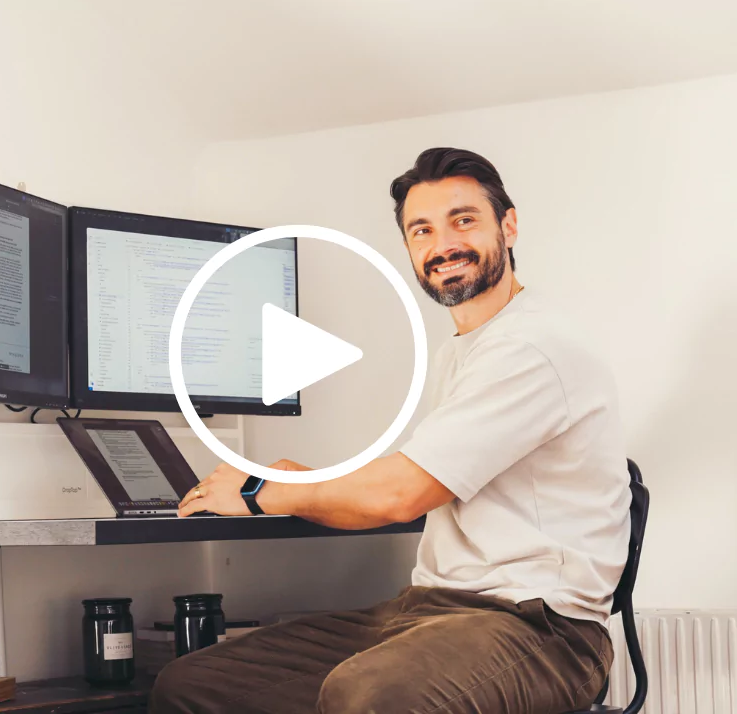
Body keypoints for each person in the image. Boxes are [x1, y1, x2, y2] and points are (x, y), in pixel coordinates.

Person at [149, 147, 632, 714]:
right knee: (192, 687)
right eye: (421, 230)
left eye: (464, 221)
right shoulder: (469, 348)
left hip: (541, 631)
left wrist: (259, 492)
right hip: (428, 611)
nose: (443, 245)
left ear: (509, 225)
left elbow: (402, 495)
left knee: (373, 698)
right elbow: (411, 481)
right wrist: (306, 484)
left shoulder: (529, 346)